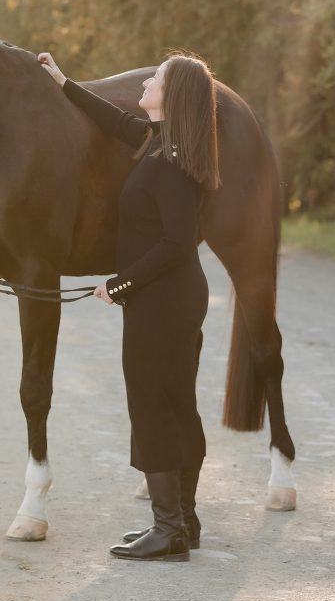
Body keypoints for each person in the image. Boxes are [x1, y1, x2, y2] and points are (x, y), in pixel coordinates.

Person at [37, 50, 221, 562]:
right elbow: (116, 121)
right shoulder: (163, 144)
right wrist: (64, 83)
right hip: (167, 298)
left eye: (156, 78)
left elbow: (178, 243)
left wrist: (119, 285)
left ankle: (168, 530)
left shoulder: (173, 163)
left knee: (154, 407)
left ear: (173, 95)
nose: (147, 81)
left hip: (164, 300)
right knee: (175, 403)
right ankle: (183, 523)